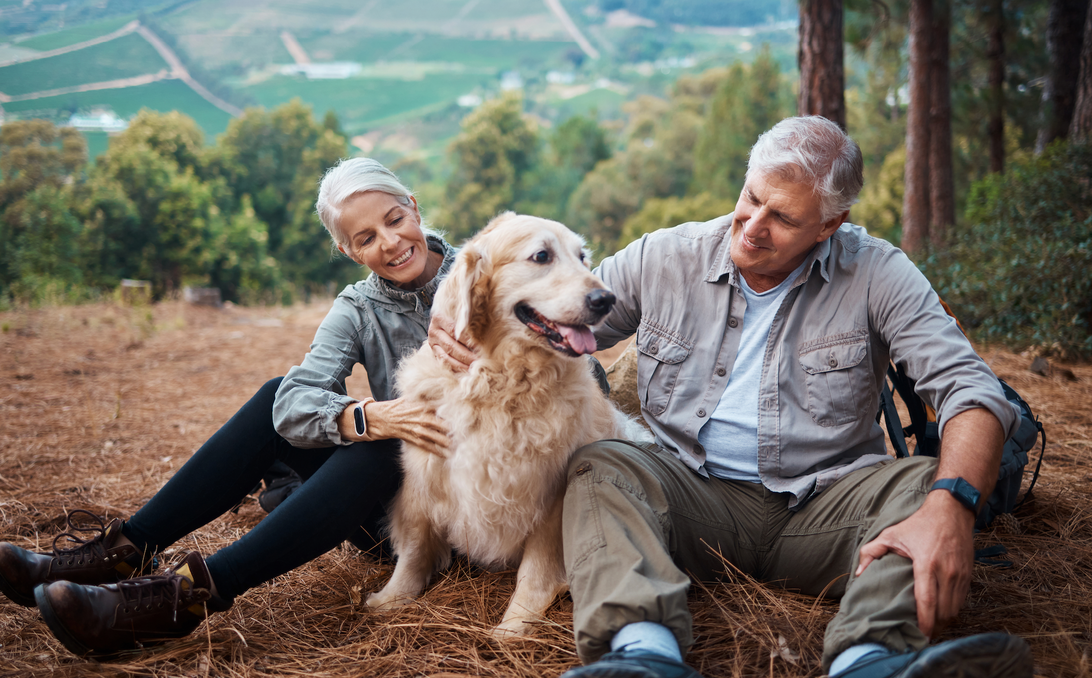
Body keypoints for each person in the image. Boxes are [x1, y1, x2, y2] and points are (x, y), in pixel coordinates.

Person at [429, 116, 1033, 678]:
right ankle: (644, 654)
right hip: (688, 501)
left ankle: (870, 661)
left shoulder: (879, 273)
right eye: (750, 198)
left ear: (830, 225)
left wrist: (952, 505)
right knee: (603, 464)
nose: (752, 226)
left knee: (922, 486)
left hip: (826, 506)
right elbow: (551, 309)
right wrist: (453, 309)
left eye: (783, 219)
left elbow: (971, 390)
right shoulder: (664, 257)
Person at [0, 158, 453, 657]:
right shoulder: (359, 306)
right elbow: (293, 404)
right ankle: (124, 552)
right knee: (279, 397)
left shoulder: (484, 274)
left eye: (393, 220)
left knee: (380, 447)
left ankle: (183, 599)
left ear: (412, 206)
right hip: (392, 519)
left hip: (471, 516)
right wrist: (369, 416)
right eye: (365, 238)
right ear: (347, 251)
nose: (389, 242)